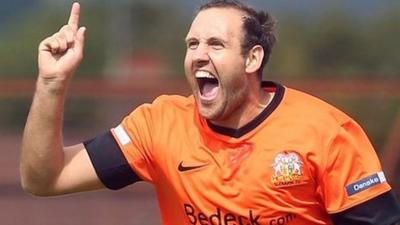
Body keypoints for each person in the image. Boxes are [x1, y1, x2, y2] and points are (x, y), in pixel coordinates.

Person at [20, 1, 400, 225]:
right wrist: (52, 83)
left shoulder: (327, 132)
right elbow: (44, 179)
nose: (199, 53)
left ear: (253, 58)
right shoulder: (158, 126)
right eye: (192, 43)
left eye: (216, 44)